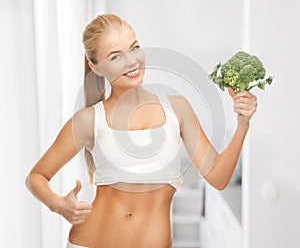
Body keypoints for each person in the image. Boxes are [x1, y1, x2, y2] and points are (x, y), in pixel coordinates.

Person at [25, 14, 257, 248]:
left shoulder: (177, 109)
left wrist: (242, 124)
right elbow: (36, 177)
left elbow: (218, 178)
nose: (131, 61)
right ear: (95, 67)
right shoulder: (88, 120)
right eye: (115, 56)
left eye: (134, 48)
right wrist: (57, 204)